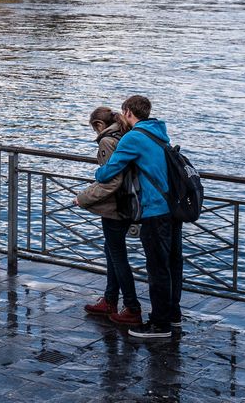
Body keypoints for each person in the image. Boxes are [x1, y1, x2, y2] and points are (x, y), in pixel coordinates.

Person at [93, 95, 183, 339]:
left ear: (128, 112)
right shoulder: (159, 132)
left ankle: (160, 324)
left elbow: (110, 170)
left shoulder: (133, 137)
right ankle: (173, 315)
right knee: (173, 264)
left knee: (158, 268)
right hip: (172, 208)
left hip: (155, 209)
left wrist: (97, 171)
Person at [76, 107, 142, 326]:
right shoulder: (125, 133)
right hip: (129, 204)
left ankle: (132, 307)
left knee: (117, 256)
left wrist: (83, 198)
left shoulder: (107, 141)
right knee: (113, 251)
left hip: (116, 208)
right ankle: (110, 300)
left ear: (98, 125)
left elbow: (111, 182)